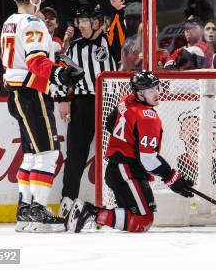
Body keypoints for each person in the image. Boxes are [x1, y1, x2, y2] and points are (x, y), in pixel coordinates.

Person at [2, 0, 84, 232]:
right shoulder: (33, 22)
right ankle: (37, 210)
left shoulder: (10, 21)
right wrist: (60, 74)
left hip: (16, 93)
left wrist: (56, 61)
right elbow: (36, 61)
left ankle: (25, 209)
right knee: (48, 153)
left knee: (31, 154)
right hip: (31, 93)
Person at [66, 71, 194, 233]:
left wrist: (127, 140)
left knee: (133, 215)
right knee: (142, 221)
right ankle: (90, 212)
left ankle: (90, 212)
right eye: (150, 91)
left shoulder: (127, 100)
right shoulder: (148, 118)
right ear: (139, 94)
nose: (156, 94)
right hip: (127, 171)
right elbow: (148, 158)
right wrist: (170, 177)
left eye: (157, 88)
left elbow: (109, 123)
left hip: (119, 169)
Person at [58, 0, 126, 218]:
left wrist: (118, 13)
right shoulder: (75, 47)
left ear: (97, 22)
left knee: (117, 155)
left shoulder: (111, 42)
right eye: (78, 20)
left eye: (84, 20)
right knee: (75, 155)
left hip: (109, 103)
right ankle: (67, 202)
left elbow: (120, 30)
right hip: (83, 104)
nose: (80, 25)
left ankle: (122, 201)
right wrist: (62, 99)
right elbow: (60, 75)